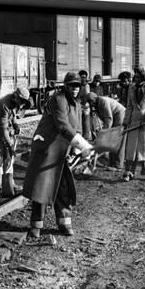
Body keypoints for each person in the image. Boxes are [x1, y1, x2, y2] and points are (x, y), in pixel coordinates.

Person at [23, 72, 93, 238]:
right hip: (47, 148)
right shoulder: (58, 99)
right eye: (71, 86)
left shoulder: (77, 104)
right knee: (41, 187)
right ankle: (36, 226)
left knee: (64, 188)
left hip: (63, 150)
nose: (74, 89)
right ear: (65, 86)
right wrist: (83, 145)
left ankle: (64, 223)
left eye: (77, 86)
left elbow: (77, 129)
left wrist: (76, 149)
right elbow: (62, 125)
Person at [0, 87, 30, 196]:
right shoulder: (4, 105)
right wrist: (10, 143)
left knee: (8, 157)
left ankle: (9, 183)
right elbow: (2, 127)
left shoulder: (14, 102)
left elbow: (12, 115)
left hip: (2, 129)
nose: (22, 105)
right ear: (16, 97)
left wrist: (15, 124)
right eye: (22, 102)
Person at [86, 92, 126, 169]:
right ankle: (111, 162)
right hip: (114, 118)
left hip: (120, 116)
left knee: (117, 141)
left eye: (91, 101)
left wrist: (104, 133)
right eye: (89, 102)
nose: (91, 103)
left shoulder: (103, 101)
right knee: (112, 141)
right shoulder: (95, 104)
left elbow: (108, 119)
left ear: (95, 98)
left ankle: (118, 165)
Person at [78, 70, 92, 140]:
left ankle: (86, 137)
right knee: (80, 122)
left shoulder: (86, 86)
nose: (83, 78)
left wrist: (83, 104)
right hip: (80, 105)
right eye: (81, 77)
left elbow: (86, 96)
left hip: (85, 106)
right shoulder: (79, 85)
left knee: (86, 122)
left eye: (84, 77)